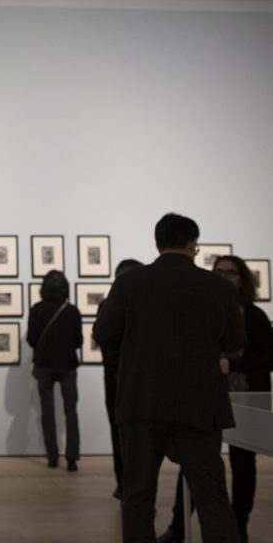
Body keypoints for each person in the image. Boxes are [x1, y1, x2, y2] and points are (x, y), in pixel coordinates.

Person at [93, 213, 245, 543]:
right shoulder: (218, 287)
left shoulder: (130, 283)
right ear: (192, 243)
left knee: (138, 496)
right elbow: (234, 343)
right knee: (212, 497)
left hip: (142, 403)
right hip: (201, 406)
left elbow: (104, 333)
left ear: (157, 243)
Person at [157, 255, 273, 543]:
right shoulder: (204, 312)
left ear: (242, 278)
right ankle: (179, 526)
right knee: (196, 462)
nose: (224, 277)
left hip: (247, 398)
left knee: (243, 465)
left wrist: (232, 366)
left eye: (231, 272)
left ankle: (239, 527)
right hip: (205, 398)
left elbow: (268, 359)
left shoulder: (255, 317)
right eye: (218, 272)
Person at [26, 269, 82, 471]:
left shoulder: (37, 309)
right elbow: (79, 341)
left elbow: (32, 339)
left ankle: (52, 457)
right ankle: (72, 458)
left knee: (47, 411)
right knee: (71, 410)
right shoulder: (72, 310)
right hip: (68, 365)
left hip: (44, 365)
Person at [99, 258, 144, 499]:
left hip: (119, 377)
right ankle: (126, 483)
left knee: (127, 434)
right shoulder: (110, 305)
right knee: (123, 433)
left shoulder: (108, 305)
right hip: (122, 378)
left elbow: (104, 338)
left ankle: (128, 484)